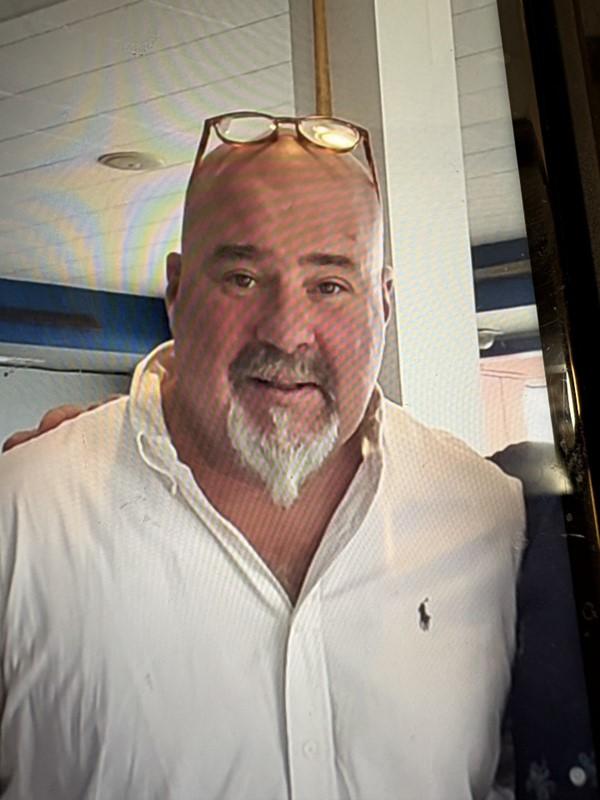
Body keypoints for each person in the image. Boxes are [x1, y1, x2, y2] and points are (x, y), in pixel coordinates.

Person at [0, 112, 525, 799]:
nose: (285, 331)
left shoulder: (493, 520)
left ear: (384, 304)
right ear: (177, 291)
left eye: (329, 285)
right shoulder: (23, 519)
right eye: (243, 277)